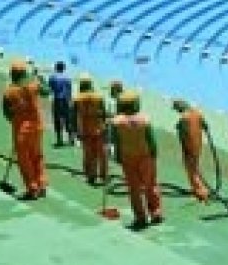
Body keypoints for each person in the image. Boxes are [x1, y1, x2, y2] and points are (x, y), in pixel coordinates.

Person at [110, 91, 163, 230]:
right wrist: (154, 154)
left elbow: (115, 141)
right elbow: (151, 141)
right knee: (151, 185)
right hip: (146, 157)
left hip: (128, 157)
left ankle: (140, 217)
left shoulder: (116, 122)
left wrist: (117, 156)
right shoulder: (145, 120)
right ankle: (156, 212)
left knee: (134, 189)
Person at [1, 60, 47, 200]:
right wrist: (40, 80)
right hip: (37, 128)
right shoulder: (33, 86)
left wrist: (15, 122)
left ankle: (32, 189)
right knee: (37, 156)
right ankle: (42, 185)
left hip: (21, 130)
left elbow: (6, 113)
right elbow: (46, 92)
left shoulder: (8, 92)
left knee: (24, 161)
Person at [172, 99, 211, 203]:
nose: (177, 111)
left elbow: (183, 137)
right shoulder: (197, 113)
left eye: (177, 109)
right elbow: (206, 126)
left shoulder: (183, 119)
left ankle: (202, 193)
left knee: (191, 172)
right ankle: (200, 189)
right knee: (195, 169)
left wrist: (185, 151)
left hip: (190, 148)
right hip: (198, 146)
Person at [72, 74, 109, 185]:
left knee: (89, 154)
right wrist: (105, 126)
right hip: (99, 128)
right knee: (102, 154)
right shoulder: (99, 97)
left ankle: (91, 175)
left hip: (84, 129)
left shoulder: (77, 99)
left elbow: (74, 116)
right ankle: (103, 175)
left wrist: (75, 130)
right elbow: (104, 113)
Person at [47, 61, 75, 147]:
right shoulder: (67, 78)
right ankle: (71, 139)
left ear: (56, 67)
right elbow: (69, 91)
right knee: (68, 120)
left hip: (57, 99)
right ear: (64, 68)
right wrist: (70, 101)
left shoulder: (52, 77)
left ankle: (60, 139)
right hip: (66, 100)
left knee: (57, 119)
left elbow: (50, 89)